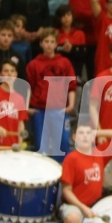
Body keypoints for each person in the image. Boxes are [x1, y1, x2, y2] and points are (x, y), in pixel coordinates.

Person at [26, 26, 76, 160]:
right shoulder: (33, 64)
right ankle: (42, 178)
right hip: (40, 110)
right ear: (41, 43)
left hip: (59, 109)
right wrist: (27, 107)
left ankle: (62, 177)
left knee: (63, 144)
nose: (49, 45)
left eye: (52, 41)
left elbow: (71, 86)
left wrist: (71, 105)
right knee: (41, 146)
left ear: (56, 43)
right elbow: (29, 87)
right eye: (46, 41)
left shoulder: (64, 62)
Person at [59, 123, 104, 223]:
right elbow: (66, 191)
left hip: (97, 204)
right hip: (75, 205)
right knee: (72, 218)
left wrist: (99, 132)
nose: (85, 136)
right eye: (81, 133)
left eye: (88, 133)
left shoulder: (100, 155)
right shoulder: (71, 158)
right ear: (74, 137)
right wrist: (83, 208)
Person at [54, 3, 85, 76]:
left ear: (72, 16)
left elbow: (83, 55)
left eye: (68, 15)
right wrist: (62, 49)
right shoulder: (54, 33)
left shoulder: (79, 33)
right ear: (58, 18)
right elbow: (50, 51)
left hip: (75, 70)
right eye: (63, 16)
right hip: (57, 71)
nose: (66, 18)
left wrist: (72, 49)